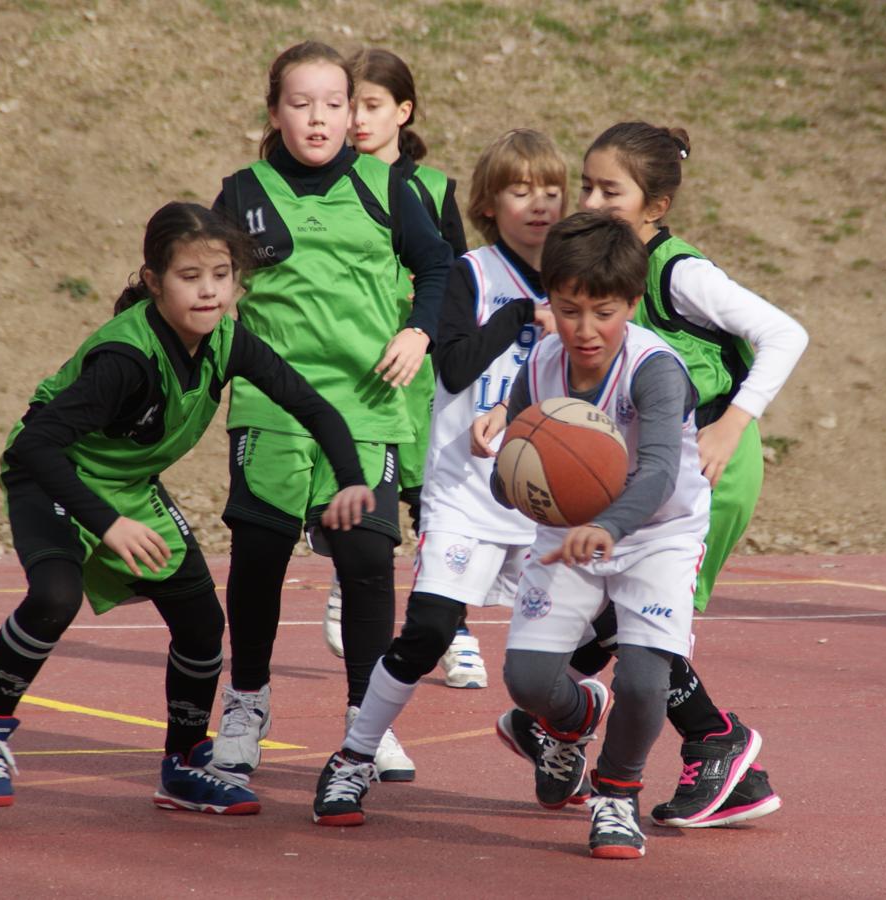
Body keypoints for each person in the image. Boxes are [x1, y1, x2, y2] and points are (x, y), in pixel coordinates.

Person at [0, 202, 373, 814]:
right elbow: (37, 445)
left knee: (201, 624)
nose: (208, 291)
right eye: (189, 276)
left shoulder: (227, 337)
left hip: (127, 486)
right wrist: (107, 523)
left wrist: (352, 479)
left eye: (221, 275)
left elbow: (313, 406)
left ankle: (180, 764)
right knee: (55, 596)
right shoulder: (126, 359)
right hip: (52, 477)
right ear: (153, 281)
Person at [210, 41, 453, 787]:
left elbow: (441, 266)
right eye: (299, 102)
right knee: (258, 560)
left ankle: (364, 720)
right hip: (273, 405)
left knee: (365, 563)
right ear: (274, 111)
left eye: (331, 103)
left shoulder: (386, 186)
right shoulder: (241, 192)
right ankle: (246, 703)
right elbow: (209, 285)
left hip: (366, 406)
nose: (316, 117)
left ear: (353, 113)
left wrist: (419, 330)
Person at [309, 128, 567, 826]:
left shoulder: (581, 278)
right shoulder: (471, 273)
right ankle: (355, 756)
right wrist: (522, 316)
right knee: (426, 630)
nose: (538, 204)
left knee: (580, 639)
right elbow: (452, 366)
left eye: (550, 190)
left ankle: (558, 732)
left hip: (553, 498)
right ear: (487, 204)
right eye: (520, 191)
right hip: (467, 491)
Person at [568, 121, 807, 827]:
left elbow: (785, 333)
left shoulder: (678, 273)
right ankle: (560, 718)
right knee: (605, 610)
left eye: (609, 189)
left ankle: (716, 741)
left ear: (655, 208)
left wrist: (733, 423)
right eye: (586, 184)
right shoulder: (602, 268)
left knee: (640, 622)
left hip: (709, 471)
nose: (590, 198)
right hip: (648, 472)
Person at [475, 211, 712, 859]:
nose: (584, 329)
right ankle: (575, 719)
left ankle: (615, 794)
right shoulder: (541, 365)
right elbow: (509, 484)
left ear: (631, 304)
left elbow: (660, 473)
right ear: (547, 298)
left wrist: (607, 526)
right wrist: (505, 464)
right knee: (526, 681)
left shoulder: (654, 369)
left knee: (643, 681)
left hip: (657, 531)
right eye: (568, 309)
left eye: (602, 312)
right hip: (572, 526)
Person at [323, 48, 482, 691]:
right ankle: (346, 578)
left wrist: (456, 358)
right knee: (367, 496)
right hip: (363, 368)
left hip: (426, 371)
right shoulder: (326, 186)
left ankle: (457, 627)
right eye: (349, 105)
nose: (358, 119)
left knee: (439, 506)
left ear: (403, 111)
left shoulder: (435, 188)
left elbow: (459, 283)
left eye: (372, 105)